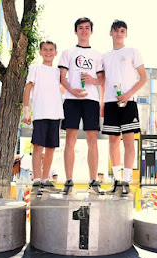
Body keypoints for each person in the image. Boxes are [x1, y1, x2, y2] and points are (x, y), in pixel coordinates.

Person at [58, 17, 104, 195]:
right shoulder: (68, 52)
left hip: (91, 100)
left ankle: (93, 181)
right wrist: (72, 90)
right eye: (80, 28)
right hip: (72, 99)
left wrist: (93, 80)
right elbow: (62, 77)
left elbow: (101, 79)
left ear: (91, 31)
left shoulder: (98, 55)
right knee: (70, 140)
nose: (84, 30)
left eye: (87, 28)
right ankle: (69, 181)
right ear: (75, 31)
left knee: (92, 140)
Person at [100, 20, 147, 196]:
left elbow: (143, 78)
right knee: (113, 142)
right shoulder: (104, 56)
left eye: (122, 31)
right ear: (110, 33)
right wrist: (102, 103)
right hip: (111, 103)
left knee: (128, 141)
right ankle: (118, 180)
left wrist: (128, 95)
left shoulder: (133, 52)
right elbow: (103, 81)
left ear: (126, 34)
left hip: (129, 102)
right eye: (116, 30)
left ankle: (127, 181)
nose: (119, 33)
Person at [22, 41, 64, 194]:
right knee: (38, 146)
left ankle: (46, 180)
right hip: (40, 113)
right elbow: (27, 89)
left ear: (55, 52)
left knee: (51, 148)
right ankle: (37, 180)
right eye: (45, 50)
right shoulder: (35, 69)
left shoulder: (58, 72)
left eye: (51, 50)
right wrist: (26, 110)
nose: (48, 52)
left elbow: (63, 88)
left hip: (56, 114)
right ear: (40, 52)